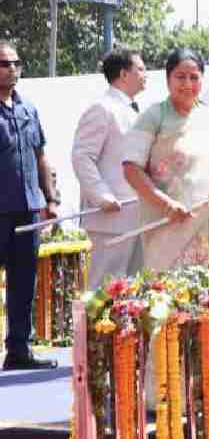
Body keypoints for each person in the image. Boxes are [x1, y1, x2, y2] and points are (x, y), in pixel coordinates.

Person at [122, 48, 209, 270]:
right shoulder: (153, 117)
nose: (187, 84)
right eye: (180, 77)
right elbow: (131, 168)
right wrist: (166, 205)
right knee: (170, 298)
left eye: (194, 77)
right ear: (168, 80)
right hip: (169, 228)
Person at [0, 41, 59, 370]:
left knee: (24, 282)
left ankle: (19, 350)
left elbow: (41, 156)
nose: (11, 68)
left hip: (27, 208)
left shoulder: (28, 109)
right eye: (4, 63)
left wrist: (50, 198)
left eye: (16, 63)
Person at [71, 46, 147, 288]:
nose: (146, 75)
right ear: (124, 74)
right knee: (102, 293)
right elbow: (82, 156)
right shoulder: (102, 108)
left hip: (137, 217)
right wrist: (102, 196)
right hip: (110, 220)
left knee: (133, 294)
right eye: (141, 69)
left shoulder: (134, 110)